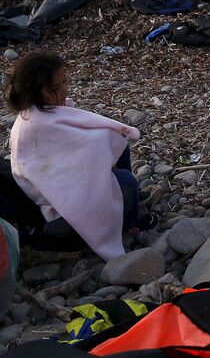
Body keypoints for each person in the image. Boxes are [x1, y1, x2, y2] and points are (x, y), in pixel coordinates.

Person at [6, 51, 154, 261]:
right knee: (125, 180)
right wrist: (100, 149)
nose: (65, 90)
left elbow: (70, 149)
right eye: (58, 87)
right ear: (37, 92)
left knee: (118, 142)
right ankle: (129, 223)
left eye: (64, 82)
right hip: (54, 198)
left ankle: (127, 202)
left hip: (62, 177)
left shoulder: (43, 112)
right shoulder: (34, 125)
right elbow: (51, 170)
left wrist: (107, 139)